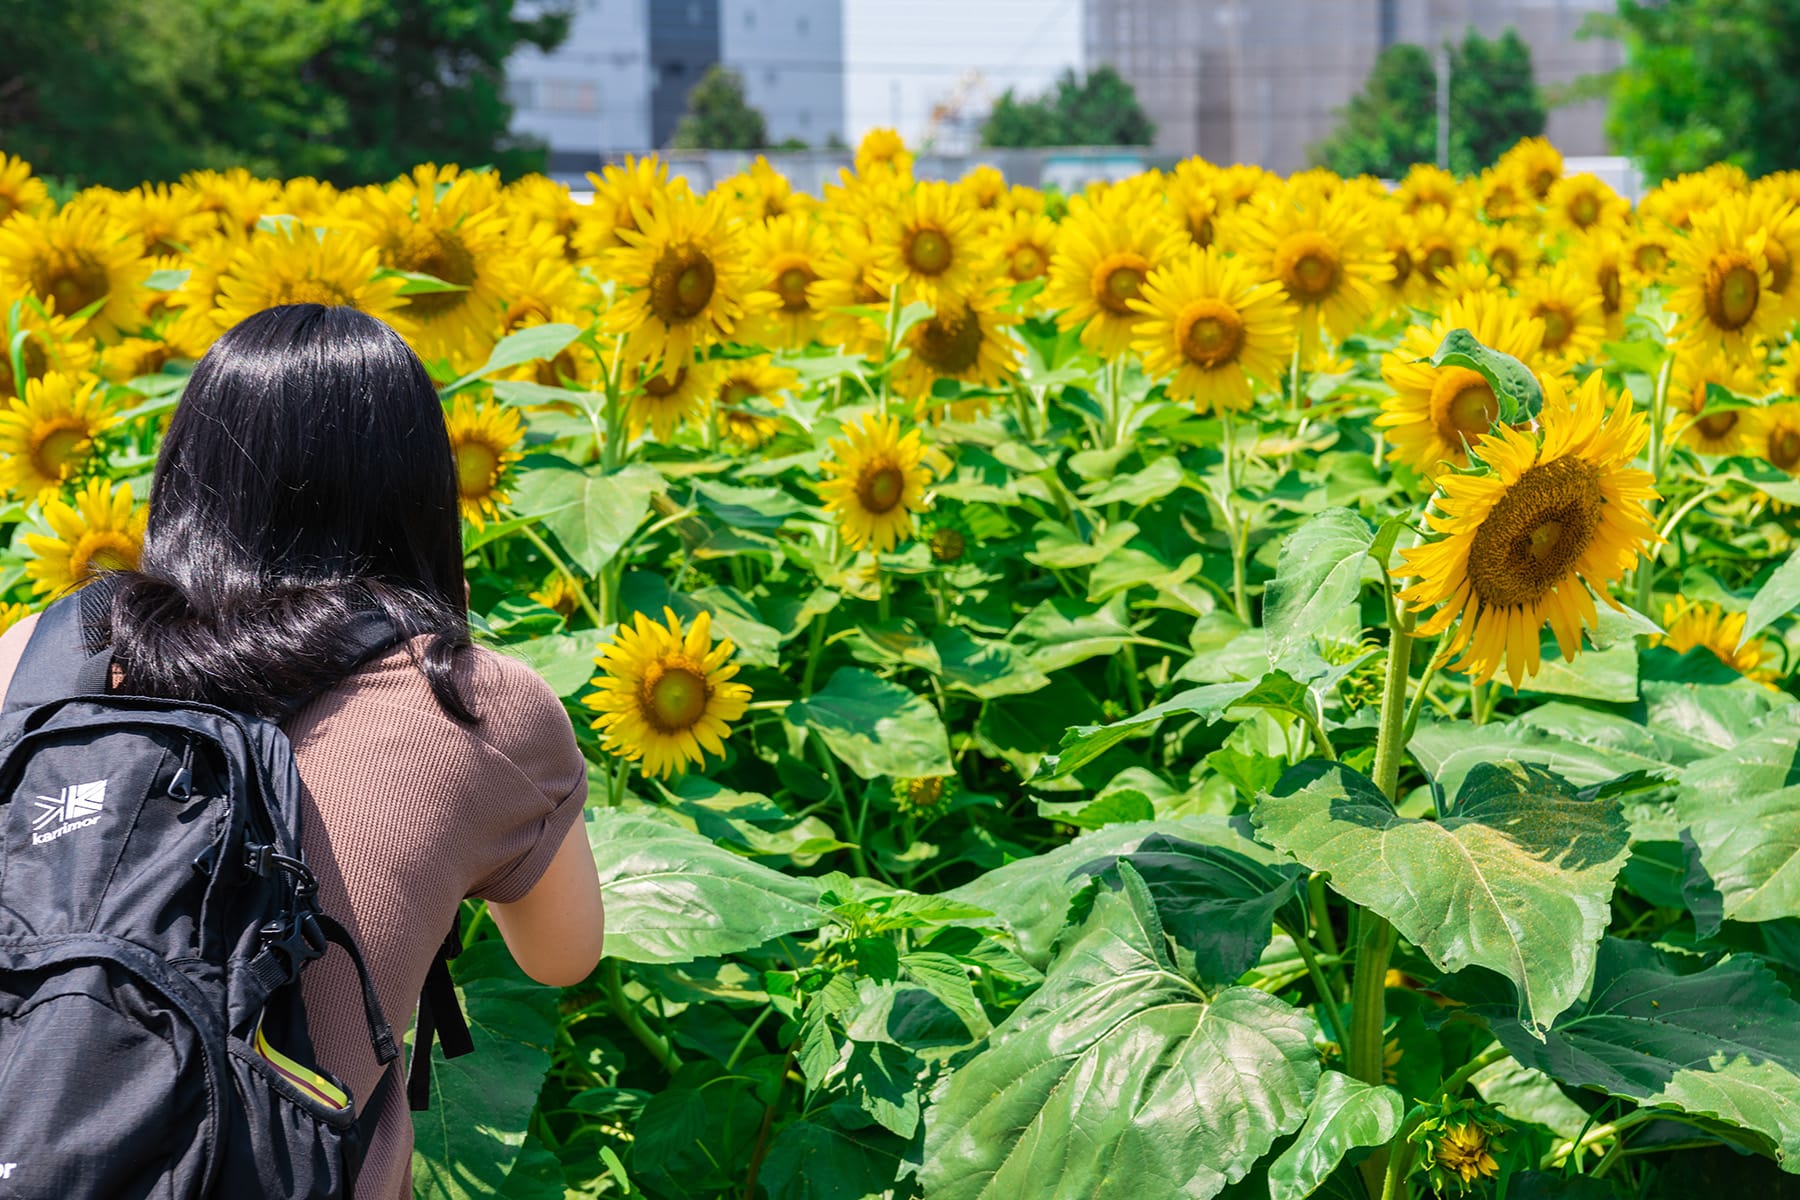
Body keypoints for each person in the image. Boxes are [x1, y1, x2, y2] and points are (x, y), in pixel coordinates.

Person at [0, 303, 606, 1199]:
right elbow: (563, 956)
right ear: (421, 491)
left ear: (185, 472)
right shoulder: (474, 700)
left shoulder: (32, 655)